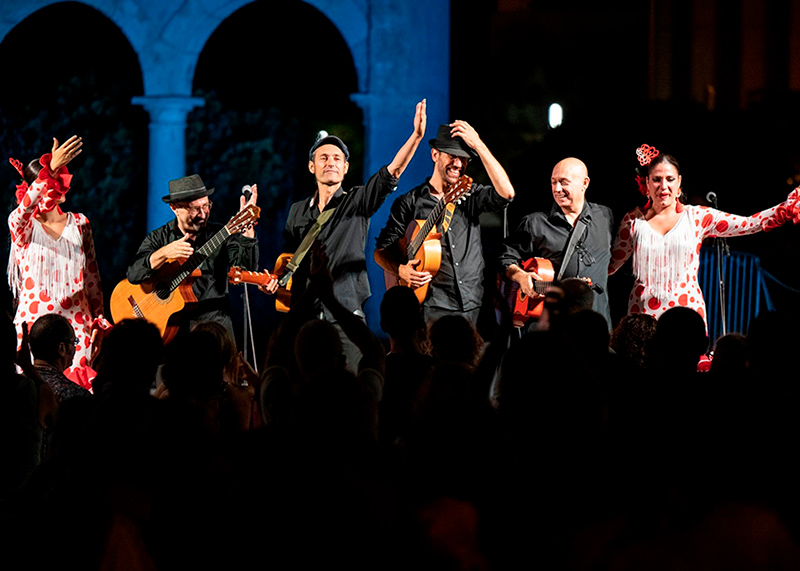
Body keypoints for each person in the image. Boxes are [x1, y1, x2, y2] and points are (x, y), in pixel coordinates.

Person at [272, 99, 427, 371]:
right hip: (305, 317)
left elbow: (392, 173)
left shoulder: (357, 201)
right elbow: (289, 259)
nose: (330, 162)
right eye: (323, 157)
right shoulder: (297, 212)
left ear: (345, 168)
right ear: (312, 166)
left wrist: (415, 138)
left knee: (352, 389)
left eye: (337, 158)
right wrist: (276, 284)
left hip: (345, 314)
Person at [608, 144, 800, 324]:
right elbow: (608, 266)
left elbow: (750, 223)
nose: (663, 186)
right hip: (642, 316)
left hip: (687, 315)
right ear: (646, 183)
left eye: (670, 179)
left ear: (679, 183)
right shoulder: (633, 221)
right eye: (656, 179)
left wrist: (786, 208)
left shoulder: (698, 217)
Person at [374, 121, 515, 328]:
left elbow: (507, 194)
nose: (458, 164)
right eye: (452, 155)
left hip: (473, 303)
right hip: (431, 305)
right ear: (434, 155)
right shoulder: (410, 202)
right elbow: (382, 250)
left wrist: (478, 145)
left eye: (464, 159)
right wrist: (401, 269)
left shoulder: (470, 194)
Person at [7, 136, 109, 390]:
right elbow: (27, 206)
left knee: (76, 407)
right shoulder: (22, 226)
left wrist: (99, 321)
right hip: (33, 330)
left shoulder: (80, 223)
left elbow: (92, 280)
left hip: (76, 329)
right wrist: (49, 170)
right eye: (52, 179)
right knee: (33, 399)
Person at [125, 173, 260, 339]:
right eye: (195, 209)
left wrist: (247, 234)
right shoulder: (159, 238)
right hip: (172, 337)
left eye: (206, 206)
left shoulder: (220, 234)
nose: (203, 215)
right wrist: (164, 253)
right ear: (174, 208)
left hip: (215, 332)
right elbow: (133, 275)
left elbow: (248, 269)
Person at [497, 157, 613, 327]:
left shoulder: (605, 216)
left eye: (564, 182)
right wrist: (521, 276)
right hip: (554, 329)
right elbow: (505, 258)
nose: (557, 189)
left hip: (597, 325)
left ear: (585, 183)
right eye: (553, 182)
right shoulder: (535, 223)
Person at [29, 313, 91, 403]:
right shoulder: (76, 396)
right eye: (73, 342)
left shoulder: (13, 386)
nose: (75, 348)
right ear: (62, 348)